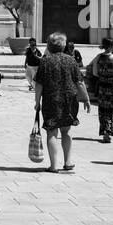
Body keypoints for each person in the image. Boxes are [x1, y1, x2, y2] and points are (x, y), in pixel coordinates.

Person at [34, 31, 90, 172]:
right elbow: (80, 82)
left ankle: (53, 166)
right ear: (63, 45)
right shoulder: (71, 60)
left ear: (49, 46)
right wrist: (86, 98)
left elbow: (39, 84)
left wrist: (37, 101)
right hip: (69, 100)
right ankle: (68, 161)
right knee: (66, 130)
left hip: (51, 100)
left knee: (51, 131)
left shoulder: (45, 61)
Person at [92, 37, 113, 142]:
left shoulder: (98, 57)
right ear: (112, 46)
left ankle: (105, 131)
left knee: (103, 110)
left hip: (103, 87)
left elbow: (95, 73)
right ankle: (109, 131)